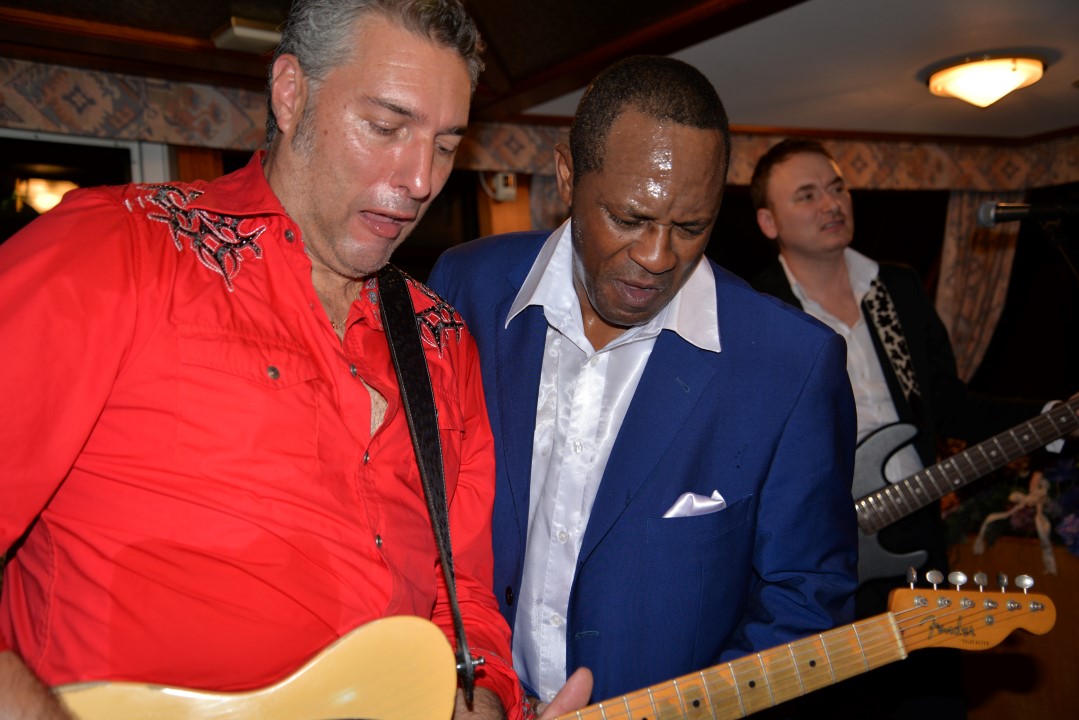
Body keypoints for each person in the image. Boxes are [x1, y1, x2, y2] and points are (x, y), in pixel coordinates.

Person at [0, 2, 591, 719]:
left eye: (444, 145)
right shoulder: (111, 250)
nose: (419, 179)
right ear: (290, 94)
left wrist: (484, 702)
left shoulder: (440, 337)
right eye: (386, 127)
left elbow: (460, 599)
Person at [428, 56, 859, 709]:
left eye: (690, 227)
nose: (658, 257)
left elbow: (804, 608)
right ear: (567, 175)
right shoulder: (466, 285)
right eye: (629, 219)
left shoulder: (792, 364)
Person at [748, 137, 1073, 719]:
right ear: (769, 222)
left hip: (918, 537)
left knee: (931, 699)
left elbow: (950, 406)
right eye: (807, 195)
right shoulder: (758, 310)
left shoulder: (894, 288)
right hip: (816, 550)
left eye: (838, 188)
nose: (831, 204)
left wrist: (1052, 416)